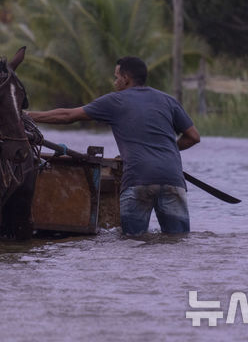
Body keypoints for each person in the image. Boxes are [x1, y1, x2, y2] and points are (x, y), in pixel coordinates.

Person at [26, 56, 200, 236]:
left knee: (133, 243)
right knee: (177, 241)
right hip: (173, 178)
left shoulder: (115, 101)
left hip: (137, 179)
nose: (115, 81)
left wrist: (27, 115)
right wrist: (166, 151)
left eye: (116, 77)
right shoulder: (168, 100)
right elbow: (193, 137)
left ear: (126, 79)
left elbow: (67, 115)